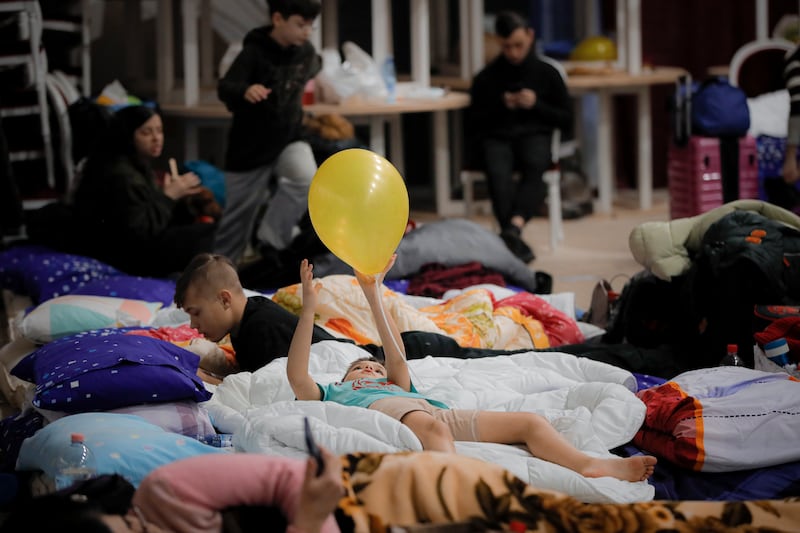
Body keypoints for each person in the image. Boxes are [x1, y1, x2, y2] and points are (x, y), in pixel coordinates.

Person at [286, 256, 657, 482]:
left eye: (372, 365)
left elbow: (396, 357)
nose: (369, 369)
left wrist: (374, 293)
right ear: (344, 380)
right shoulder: (336, 393)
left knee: (530, 423)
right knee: (432, 428)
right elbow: (297, 376)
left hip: (437, 417)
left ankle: (588, 465)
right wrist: (307, 309)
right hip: (407, 421)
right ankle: (454, 492)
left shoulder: (394, 383)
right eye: (360, 368)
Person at [173, 253, 519, 375]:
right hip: (396, 350)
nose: (193, 325)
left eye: (196, 313)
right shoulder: (253, 319)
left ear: (224, 299)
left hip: (409, 353)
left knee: (516, 360)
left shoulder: (259, 329)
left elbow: (265, 387)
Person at [214, 0, 322, 264]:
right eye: (299, 24)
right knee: (237, 218)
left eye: (310, 26)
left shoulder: (306, 52)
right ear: (277, 19)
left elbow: (316, 66)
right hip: (250, 146)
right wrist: (245, 90)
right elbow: (226, 87)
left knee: (307, 179)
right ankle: (217, 273)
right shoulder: (253, 52)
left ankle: (270, 240)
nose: (306, 31)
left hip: (289, 139)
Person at [467, 10, 572, 263]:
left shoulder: (548, 74)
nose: (514, 52)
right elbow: (474, 121)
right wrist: (502, 103)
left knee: (536, 162)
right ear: (499, 43)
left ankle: (511, 230)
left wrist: (536, 104)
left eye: (519, 45)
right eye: (507, 47)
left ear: (530, 35)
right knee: (497, 169)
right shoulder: (486, 77)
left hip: (535, 135)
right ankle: (512, 234)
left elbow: (566, 120)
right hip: (498, 136)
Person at [71, 105, 217, 277]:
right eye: (146, 133)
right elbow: (141, 231)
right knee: (210, 235)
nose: (157, 138)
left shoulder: (138, 165)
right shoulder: (121, 174)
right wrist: (169, 196)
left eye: (159, 131)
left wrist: (179, 197)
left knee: (208, 228)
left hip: (141, 244)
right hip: (126, 255)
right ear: (128, 136)